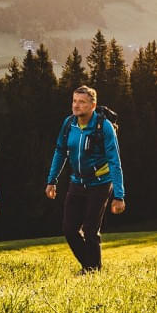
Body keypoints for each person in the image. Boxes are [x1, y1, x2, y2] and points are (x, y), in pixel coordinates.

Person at [45, 85, 125, 273]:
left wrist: (119, 196)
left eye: (81, 102)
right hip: (77, 182)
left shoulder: (103, 126)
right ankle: (90, 267)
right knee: (69, 229)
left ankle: (92, 270)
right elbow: (60, 151)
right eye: (74, 101)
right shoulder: (69, 123)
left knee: (90, 230)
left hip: (100, 183)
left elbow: (115, 160)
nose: (76, 105)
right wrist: (52, 180)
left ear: (93, 105)